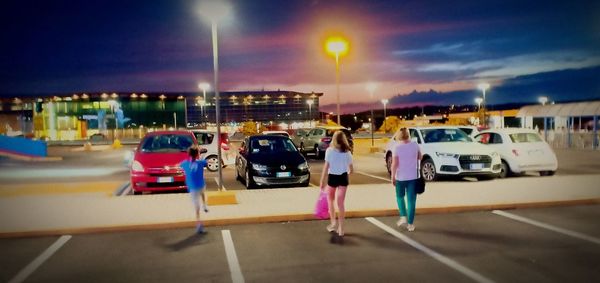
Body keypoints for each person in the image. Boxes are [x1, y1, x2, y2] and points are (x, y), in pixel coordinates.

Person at [319, 130, 354, 237]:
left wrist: (322, 180)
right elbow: (351, 169)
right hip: (343, 177)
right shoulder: (347, 152)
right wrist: (346, 171)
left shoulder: (329, 151)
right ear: (344, 140)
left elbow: (326, 167)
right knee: (341, 203)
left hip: (332, 177)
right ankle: (341, 228)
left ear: (333, 139)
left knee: (331, 200)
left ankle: (333, 223)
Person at [390, 127, 422, 232]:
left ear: (399, 136)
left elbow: (394, 164)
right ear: (409, 135)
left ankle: (403, 216)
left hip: (400, 177)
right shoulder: (415, 145)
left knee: (400, 197)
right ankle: (410, 224)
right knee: (411, 201)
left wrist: (392, 177)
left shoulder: (396, 147)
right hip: (413, 176)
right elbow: (420, 157)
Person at [180, 145, 209, 234]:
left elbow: (181, 165)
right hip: (201, 185)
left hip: (192, 188)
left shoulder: (185, 163)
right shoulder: (200, 163)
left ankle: (199, 223)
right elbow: (206, 162)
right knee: (203, 193)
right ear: (197, 154)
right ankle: (204, 205)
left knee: (197, 207)